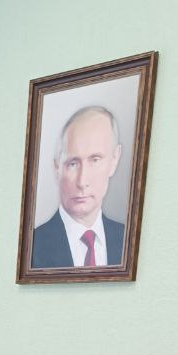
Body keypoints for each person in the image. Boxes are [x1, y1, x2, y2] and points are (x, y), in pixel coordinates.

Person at [32, 105, 125, 269]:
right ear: (57, 168)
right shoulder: (32, 246)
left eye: (95, 160)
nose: (82, 182)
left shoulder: (127, 239)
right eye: (73, 163)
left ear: (114, 160)